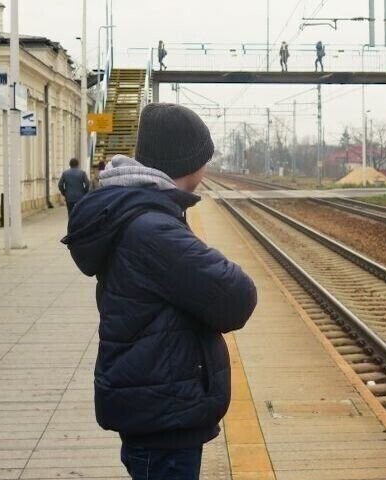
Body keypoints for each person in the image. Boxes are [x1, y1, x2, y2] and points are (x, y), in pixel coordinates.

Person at [62, 103, 258, 480]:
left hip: (157, 401)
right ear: (189, 162)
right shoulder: (153, 229)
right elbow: (236, 297)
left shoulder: (142, 214)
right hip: (163, 414)